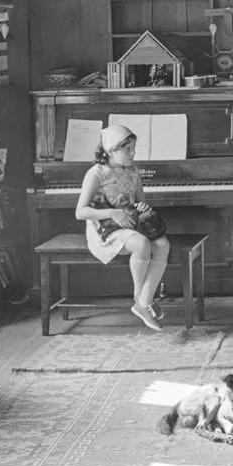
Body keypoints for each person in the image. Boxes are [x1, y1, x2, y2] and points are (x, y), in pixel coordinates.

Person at [74, 122, 170, 330]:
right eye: (127, 149)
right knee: (142, 244)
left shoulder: (133, 172)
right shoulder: (96, 174)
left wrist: (143, 207)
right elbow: (80, 212)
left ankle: (145, 300)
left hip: (130, 224)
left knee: (162, 244)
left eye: (134, 148)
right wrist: (112, 212)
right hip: (105, 230)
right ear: (110, 150)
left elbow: (140, 203)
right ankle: (140, 299)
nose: (133, 153)